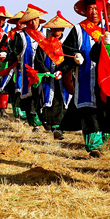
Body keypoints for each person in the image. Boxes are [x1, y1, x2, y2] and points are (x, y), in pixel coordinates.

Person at [60, 0, 110, 158]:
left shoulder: (109, 29)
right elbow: (66, 51)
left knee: (105, 109)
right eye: (90, 8)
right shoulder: (78, 30)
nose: (94, 12)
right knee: (88, 111)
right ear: (85, 11)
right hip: (85, 77)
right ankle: (93, 146)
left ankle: (102, 142)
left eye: (97, 8)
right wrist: (75, 56)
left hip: (105, 78)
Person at [33, 11, 73, 139]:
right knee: (50, 101)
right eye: (54, 28)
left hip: (63, 77)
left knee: (62, 101)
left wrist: (62, 71)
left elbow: (70, 61)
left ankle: (60, 128)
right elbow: (38, 60)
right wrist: (46, 71)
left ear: (63, 30)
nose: (57, 30)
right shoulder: (43, 44)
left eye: (59, 28)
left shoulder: (67, 44)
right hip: (48, 78)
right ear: (51, 29)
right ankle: (53, 126)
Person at [7, 4, 48, 126]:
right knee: (30, 94)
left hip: (43, 69)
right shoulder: (20, 35)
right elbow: (14, 50)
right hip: (27, 70)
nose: (33, 22)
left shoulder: (46, 33)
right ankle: (33, 119)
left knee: (43, 93)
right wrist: (10, 56)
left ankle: (44, 117)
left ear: (39, 19)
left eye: (35, 19)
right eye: (30, 20)